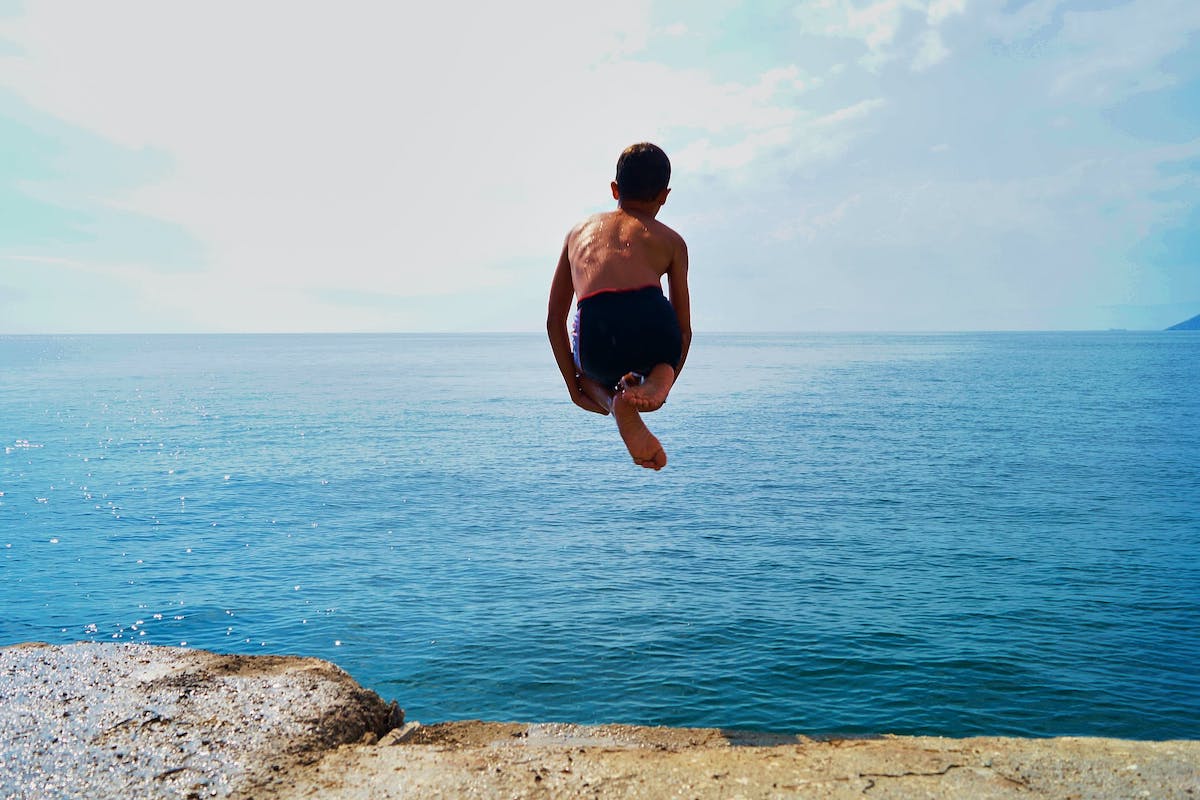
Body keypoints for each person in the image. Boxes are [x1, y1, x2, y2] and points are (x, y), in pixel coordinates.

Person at [546, 142, 692, 470]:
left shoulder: (576, 234)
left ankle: (614, 403)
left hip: (599, 330)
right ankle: (658, 377)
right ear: (664, 196)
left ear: (615, 189)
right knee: (663, 358)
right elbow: (684, 329)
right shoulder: (671, 241)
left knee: (587, 376)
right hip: (653, 323)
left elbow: (554, 320)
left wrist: (574, 386)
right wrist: (666, 382)